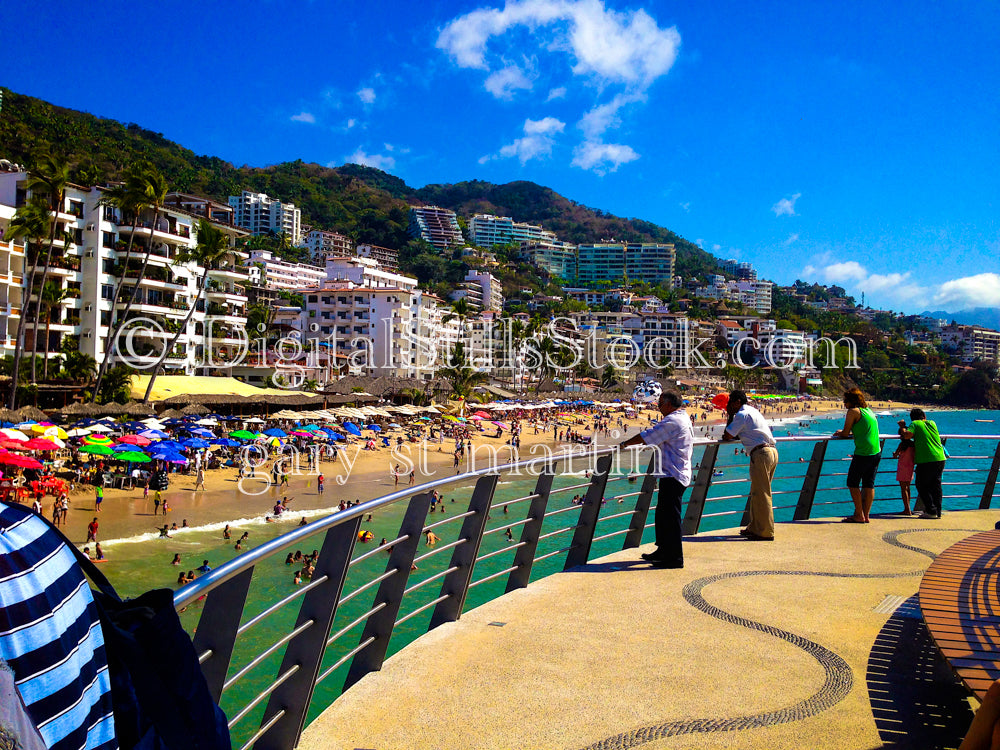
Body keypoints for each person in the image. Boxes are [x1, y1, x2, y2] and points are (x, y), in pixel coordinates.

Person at [619, 390, 694, 568]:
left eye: (660, 404)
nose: (658, 407)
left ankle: (674, 557)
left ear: (669, 404)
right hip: (673, 472)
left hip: (673, 474)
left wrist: (625, 443)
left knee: (671, 517)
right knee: (663, 515)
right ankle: (663, 551)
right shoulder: (682, 417)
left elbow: (648, 437)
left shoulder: (673, 420)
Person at [721, 390, 778, 541]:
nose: (729, 406)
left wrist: (730, 415)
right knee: (758, 492)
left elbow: (727, 435)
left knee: (762, 493)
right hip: (771, 451)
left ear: (737, 402)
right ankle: (755, 527)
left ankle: (765, 531)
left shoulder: (741, 415)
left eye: (730, 403)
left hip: (761, 453)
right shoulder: (752, 411)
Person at [832, 388, 882, 523]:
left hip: (864, 452)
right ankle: (866, 515)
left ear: (851, 401)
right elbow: (863, 430)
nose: (844, 404)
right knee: (869, 484)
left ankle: (859, 514)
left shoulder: (853, 412)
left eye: (845, 401)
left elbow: (845, 432)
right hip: (876, 451)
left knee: (852, 483)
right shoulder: (869, 411)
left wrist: (840, 432)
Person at [900, 409, 947, 519]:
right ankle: (937, 511)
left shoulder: (915, 423)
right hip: (940, 457)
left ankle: (931, 510)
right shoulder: (932, 423)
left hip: (926, 459)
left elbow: (907, 435)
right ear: (924, 416)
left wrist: (902, 426)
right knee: (936, 485)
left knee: (921, 484)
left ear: (912, 418)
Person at [892, 434, 916, 516]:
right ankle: (908, 507)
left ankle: (907, 509)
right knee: (908, 487)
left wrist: (895, 454)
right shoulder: (913, 444)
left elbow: (895, 455)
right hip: (910, 467)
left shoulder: (902, 445)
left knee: (903, 488)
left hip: (902, 467)